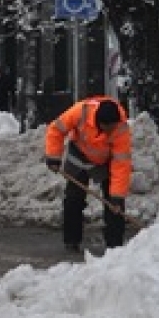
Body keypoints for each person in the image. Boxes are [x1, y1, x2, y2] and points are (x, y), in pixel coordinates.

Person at [44, 96, 132, 253]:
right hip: (79, 155)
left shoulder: (121, 128)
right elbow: (56, 129)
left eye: (113, 127)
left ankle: (115, 244)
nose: (110, 131)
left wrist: (117, 195)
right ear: (100, 122)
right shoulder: (81, 111)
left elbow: (121, 163)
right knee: (73, 198)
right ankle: (71, 240)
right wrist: (53, 156)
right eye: (107, 128)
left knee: (114, 204)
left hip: (105, 161)